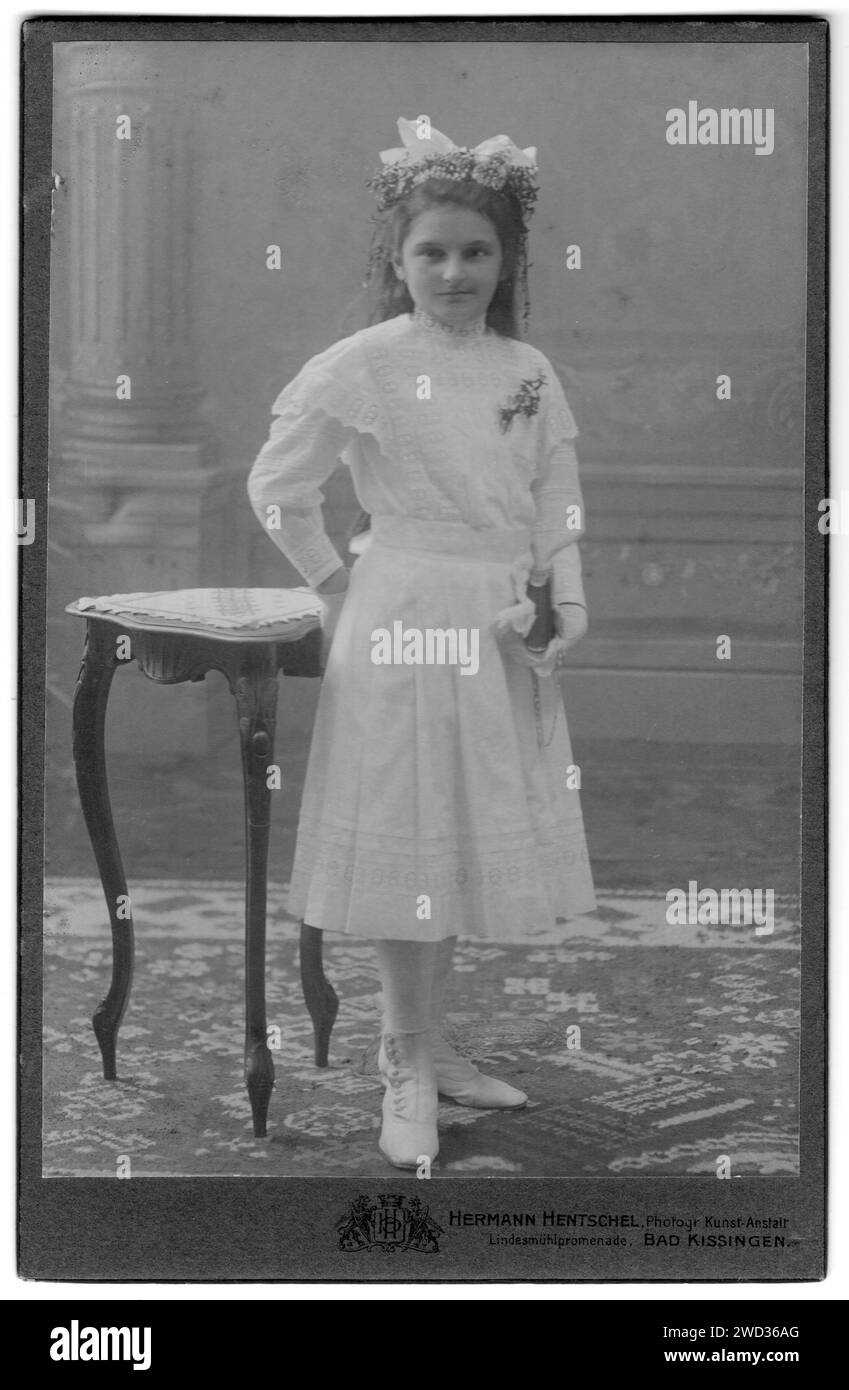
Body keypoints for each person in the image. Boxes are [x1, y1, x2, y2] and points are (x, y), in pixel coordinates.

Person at [248, 117, 597, 1169]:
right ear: (397, 264)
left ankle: (435, 1043)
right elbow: (279, 488)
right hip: (400, 617)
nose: (455, 271)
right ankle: (400, 1057)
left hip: (493, 622)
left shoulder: (525, 368)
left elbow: (554, 496)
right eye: (432, 252)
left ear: (507, 261)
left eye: (476, 252)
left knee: (456, 830)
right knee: (407, 829)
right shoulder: (367, 365)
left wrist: (562, 598)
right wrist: (339, 582)